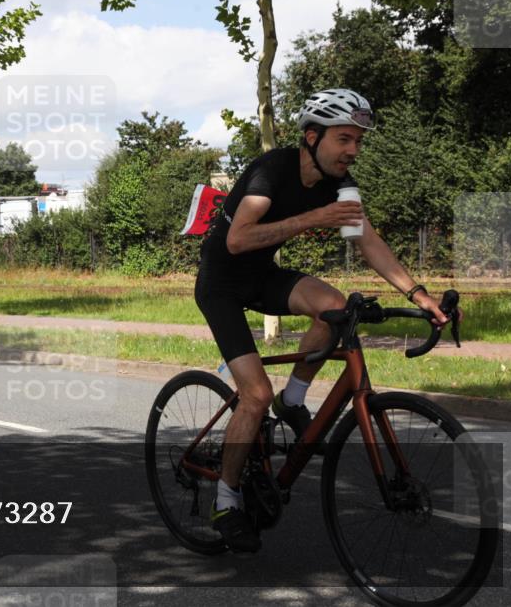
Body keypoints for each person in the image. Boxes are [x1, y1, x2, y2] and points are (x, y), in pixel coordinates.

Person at [194, 88, 455, 553]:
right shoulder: (269, 171)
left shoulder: (342, 184)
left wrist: (419, 295)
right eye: (344, 139)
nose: (353, 150)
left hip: (263, 277)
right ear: (312, 137)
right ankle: (226, 498)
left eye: (358, 140)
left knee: (334, 306)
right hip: (221, 285)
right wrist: (316, 216)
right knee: (254, 394)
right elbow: (237, 240)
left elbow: (367, 241)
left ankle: (293, 400)